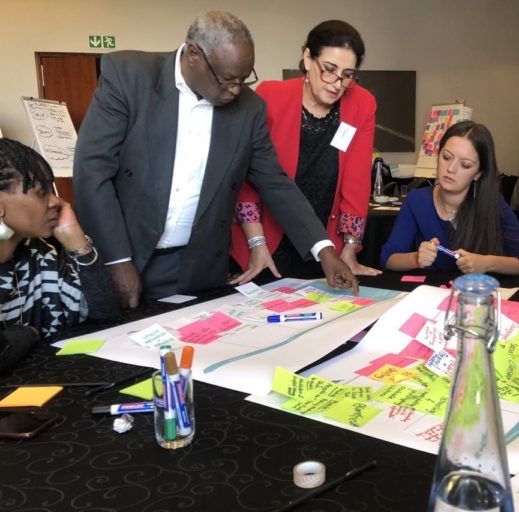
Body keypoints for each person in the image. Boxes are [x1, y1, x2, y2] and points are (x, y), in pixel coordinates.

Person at [73, 10, 357, 309]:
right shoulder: (130, 76)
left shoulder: (250, 109)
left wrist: (324, 250)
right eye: (227, 79)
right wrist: (117, 259)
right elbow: (92, 171)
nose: (236, 90)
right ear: (194, 55)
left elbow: (275, 182)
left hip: (200, 268)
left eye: (243, 79)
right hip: (127, 255)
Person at [230, 20, 380, 282]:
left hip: (325, 245)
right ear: (308, 57)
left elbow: (356, 183)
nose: (337, 83)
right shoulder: (270, 96)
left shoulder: (362, 104)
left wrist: (349, 247)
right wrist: (256, 242)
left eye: (347, 74)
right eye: (329, 70)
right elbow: (249, 179)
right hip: (266, 239)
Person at [0, 139, 118, 371]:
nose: (56, 201)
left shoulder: (42, 251)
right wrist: (29, 334)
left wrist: (77, 242)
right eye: (42, 192)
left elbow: (105, 312)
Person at [380, 121, 519, 275]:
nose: (450, 169)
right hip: (430, 296)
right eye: (446, 157)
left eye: (465, 165)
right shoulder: (417, 201)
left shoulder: (493, 203)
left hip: (476, 296)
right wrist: (415, 259)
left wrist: (487, 263)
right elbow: (387, 259)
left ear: (478, 173)